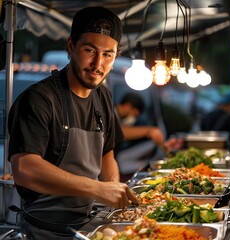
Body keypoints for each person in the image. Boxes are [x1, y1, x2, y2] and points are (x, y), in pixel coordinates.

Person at [7, 6, 138, 239]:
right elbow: (25, 169)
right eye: (90, 50)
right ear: (71, 46)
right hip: (44, 231)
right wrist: (97, 188)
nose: (98, 64)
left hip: (87, 225)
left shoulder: (103, 96)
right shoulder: (39, 99)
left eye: (107, 54)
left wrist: (113, 192)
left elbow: (107, 155)